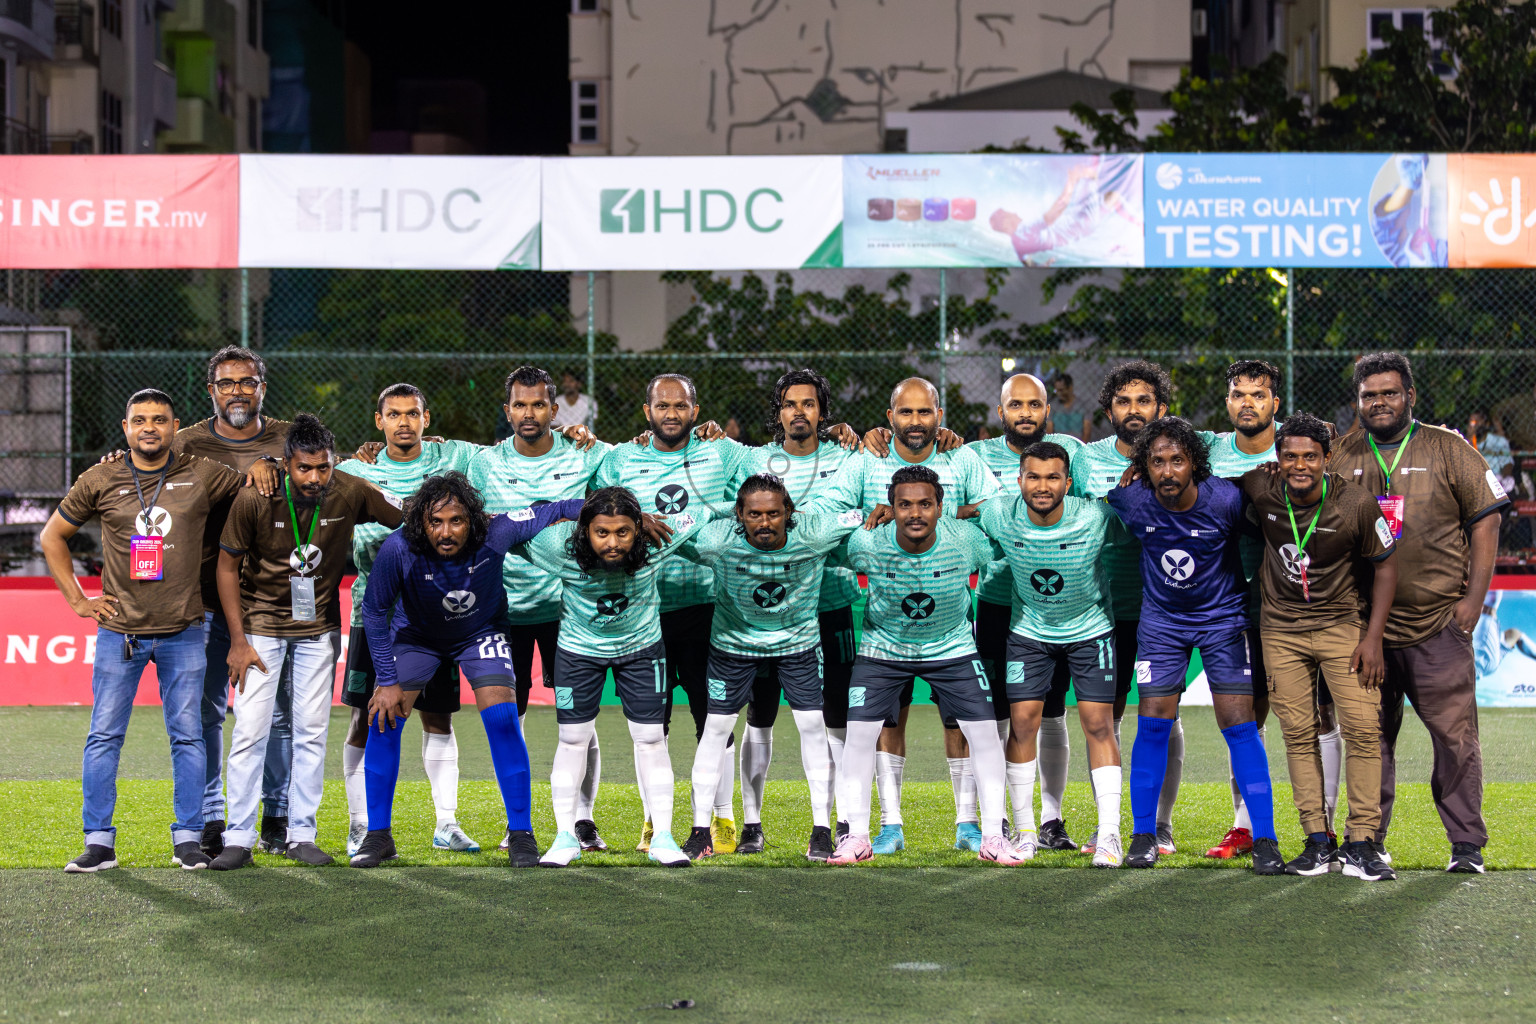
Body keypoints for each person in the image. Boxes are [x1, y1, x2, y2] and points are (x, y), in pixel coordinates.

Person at [40, 389, 246, 872]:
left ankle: (189, 840)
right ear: (126, 428)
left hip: (184, 630)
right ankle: (99, 844)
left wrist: (271, 467)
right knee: (104, 736)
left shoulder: (201, 473)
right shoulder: (102, 476)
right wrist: (77, 600)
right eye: (139, 420)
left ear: (175, 427)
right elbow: (52, 537)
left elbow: (259, 487)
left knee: (189, 738)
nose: (149, 427)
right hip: (120, 633)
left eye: (159, 419)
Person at [1331, 351, 1508, 873]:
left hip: (1437, 624)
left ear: (1410, 396)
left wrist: (1472, 601)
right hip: (1366, 630)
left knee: (1455, 738)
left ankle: (1466, 846)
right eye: (1369, 395)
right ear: (1357, 402)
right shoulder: (1340, 454)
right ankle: (1368, 840)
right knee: (1370, 738)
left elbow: (1487, 521)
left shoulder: (1449, 448)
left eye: (1389, 393)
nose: (1379, 403)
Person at [351, 474, 582, 869]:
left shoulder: (497, 531)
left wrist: (633, 514)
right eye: (435, 521)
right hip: (416, 637)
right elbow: (373, 611)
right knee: (383, 718)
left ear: (472, 520)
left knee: (504, 719)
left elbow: (559, 508)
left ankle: (521, 833)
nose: (445, 531)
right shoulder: (399, 547)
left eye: (456, 521)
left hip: (481, 633)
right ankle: (378, 835)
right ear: (421, 522)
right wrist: (387, 681)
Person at [212, 415, 402, 869]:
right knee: (250, 733)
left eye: (323, 468)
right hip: (260, 629)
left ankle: (302, 835)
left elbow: (408, 515)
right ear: (286, 464)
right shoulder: (255, 497)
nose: (315, 478)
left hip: (318, 631)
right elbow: (225, 567)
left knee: (312, 733)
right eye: (304, 469)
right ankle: (238, 837)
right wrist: (237, 640)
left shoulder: (350, 490)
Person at [820, 377, 1000, 853]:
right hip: (886, 625)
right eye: (906, 413)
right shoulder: (867, 458)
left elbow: (1000, 506)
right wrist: (864, 518)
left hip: (949, 623)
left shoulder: (959, 457)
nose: (916, 422)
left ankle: (969, 824)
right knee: (888, 723)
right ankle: (890, 825)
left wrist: (955, 514)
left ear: (939, 417)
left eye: (925, 413)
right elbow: (830, 512)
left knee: (958, 724)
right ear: (890, 417)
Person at [1105, 416, 1283, 875]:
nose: (1168, 471)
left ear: (1194, 464)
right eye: (1157, 461)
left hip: (1224, 621)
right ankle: (1144, 835)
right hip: (1162, 625)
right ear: (1144, 467)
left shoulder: (1225, 500)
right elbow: (1105, 499)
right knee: (1153, 724)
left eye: (1177, 460)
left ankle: (1264, 838)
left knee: (1239, 725)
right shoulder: (1132, 500)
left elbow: (1271, 527)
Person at [829, 466, 1029, 865]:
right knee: (859, 736)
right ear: (891, 508)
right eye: (904, 505)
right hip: (883, 650)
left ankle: (992, 836)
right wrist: (856, 517)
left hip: (952, 647)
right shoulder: (866, 542)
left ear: (941, 508)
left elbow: (1012, 531)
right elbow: (817, 538)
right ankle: (857, 837)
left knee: (986, 733)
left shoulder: (967, 540)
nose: (915, 513)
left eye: (925, 504)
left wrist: (974, 510)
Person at [592, 374, 756, 853]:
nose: (670, 413)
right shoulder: (620, 459)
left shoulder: (721, 452)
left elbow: (777, 461)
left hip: (709, 608)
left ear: (694, 409)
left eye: (679, 405)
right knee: (651, 724)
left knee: (716, 719)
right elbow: (592, 509)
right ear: (647, 412)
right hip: (645, 611)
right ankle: (652, 819)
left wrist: (836, 433)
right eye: (661, 405)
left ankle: (722, 819)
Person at [508, 487, 709, 868]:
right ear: (584, 531)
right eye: (602, 532)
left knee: (651, 739)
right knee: (572, 740)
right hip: (578, 652)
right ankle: (565, 837)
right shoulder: (556, 546)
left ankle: (662, 837)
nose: (613, 543)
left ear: (638, 528)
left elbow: (706, 511)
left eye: (623, 532)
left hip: (642, 649)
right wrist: (551, 514)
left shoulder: (658, 540)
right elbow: (509, 528)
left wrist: (649, 518)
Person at [1240, 413, 1399, 881]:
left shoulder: (1356, 504)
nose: (1299, 465)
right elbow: (1208, 480)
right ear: (1277, 459)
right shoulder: (1260, 487)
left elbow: (1386, 568)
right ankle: (1316, 841)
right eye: (1289, 456)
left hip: (1342, 627)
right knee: (1298, 732)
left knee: (1364, 729)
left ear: (1327, 458)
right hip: (1281, 631)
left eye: (1310, 456)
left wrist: (1373, 638)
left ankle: (1362, 842)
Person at [676, 475, 865, 861]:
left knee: (814, 726)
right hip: (733, 646)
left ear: (789, 513)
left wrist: (883, 511)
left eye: (774, 513)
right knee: (716, 729)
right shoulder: (717, 539)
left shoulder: (816, 531)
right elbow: (673, 531)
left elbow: (866, 516)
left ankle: (822, 829)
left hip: (797, 646)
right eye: (754, 514)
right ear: (739, 516)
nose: (765, 523)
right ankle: (700, 831)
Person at [334, 383, 483, 858]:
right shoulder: (352, 470)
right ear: (378, 421)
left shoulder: (452, 460)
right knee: (365, 717)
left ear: (426, 419)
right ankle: (361, 825)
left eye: (412, 413)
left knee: (438, 718)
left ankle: (446, 823)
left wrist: (569, 433)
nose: (403, 422)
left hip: (432, 614)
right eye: (393, 414)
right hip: (370, 610)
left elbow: (512, 452)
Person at [468, 366, 610, 854]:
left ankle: (584, 820)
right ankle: (518, 820)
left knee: (581, 720)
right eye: (519, 405)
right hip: (500, 609)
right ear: (507, 410)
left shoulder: (586, 454)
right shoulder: (483, 464)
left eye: (538, 405)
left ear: (555, 409)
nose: (529, 413)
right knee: (512, 718)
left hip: (566, 607)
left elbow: (641, 459)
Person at [729, 369, 863, 853]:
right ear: (779, 411)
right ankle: (751, 824)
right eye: (790, 403)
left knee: (834, 716)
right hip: (768, 611)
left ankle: (841, 820)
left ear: (823, 413)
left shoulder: (850, 458)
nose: (799, 412)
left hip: (831, 604)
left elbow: (873, 510)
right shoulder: (752, 460)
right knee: (759, 715)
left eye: (809, 404)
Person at [976, 441, 1124, 867]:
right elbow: (960, 515)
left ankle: (1110, 835)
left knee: (1098, 724)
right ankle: (1025, 834)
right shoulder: (1000, 513)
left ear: (1068, 482)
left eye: (1053, 477)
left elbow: (1146, 523)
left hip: (1091, 630)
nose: (1043, 486)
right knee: (1022, 724)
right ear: (1019, 479)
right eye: (1034, 477)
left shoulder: (1096, 517)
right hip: (1029, 633)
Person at [173, 345, 293, 858]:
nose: (237, 391)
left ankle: (277, 814)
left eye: (247, 382)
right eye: (227, 383)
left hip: (272, 595)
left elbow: (335, 467)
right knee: (206, 712)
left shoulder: (290, 437)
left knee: (280, 714)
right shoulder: (185, 442)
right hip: (203, 594)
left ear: (263, 387)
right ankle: (210, 816)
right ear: (211, 391)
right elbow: (140, 470)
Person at [1201, 359, 1322, 861]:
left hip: (1295, 602)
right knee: (1244, 716)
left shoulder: (1297, 450)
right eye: (1237, 393)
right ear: (1227, 401)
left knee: (1315, 714)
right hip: (1224, 602)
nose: (1247, 402)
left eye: (1258, 394)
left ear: (1275, 402)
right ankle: (1245, 824)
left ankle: (1325, 827)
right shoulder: (1206, 450)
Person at [967, 374, 1084, 853]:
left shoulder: (1072, 450)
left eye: (1034, 404)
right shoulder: (973, 456)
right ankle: (1001, 821)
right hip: (998, 602)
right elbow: (952, 506)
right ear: (1001, 412)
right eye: (1016, 404)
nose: (1026, 413)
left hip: (1055, 607)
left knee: (1054, 713)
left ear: (1047, 412)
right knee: (998, 716)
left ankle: (1052, 820)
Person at [1067, 359, 1175, 856]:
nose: (1134, 411)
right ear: (1109, 409)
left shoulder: (1183, 454)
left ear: (1162, 407)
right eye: (1124, 401)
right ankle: (1106, 824)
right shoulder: (1084, 458)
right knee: (1102, 721)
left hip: (1162, 610)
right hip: (1100, 610)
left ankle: (1161, 825)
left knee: (1162, 717)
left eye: (1144, 401)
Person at [1046, 373, 1091, 443]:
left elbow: (1087, 432)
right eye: (1056, 391)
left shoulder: (1083, 407)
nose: (1058, 394)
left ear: (1070, 388)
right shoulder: (1052, 407)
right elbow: (1049, 432)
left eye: (1061, 390)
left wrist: (1081, 450)